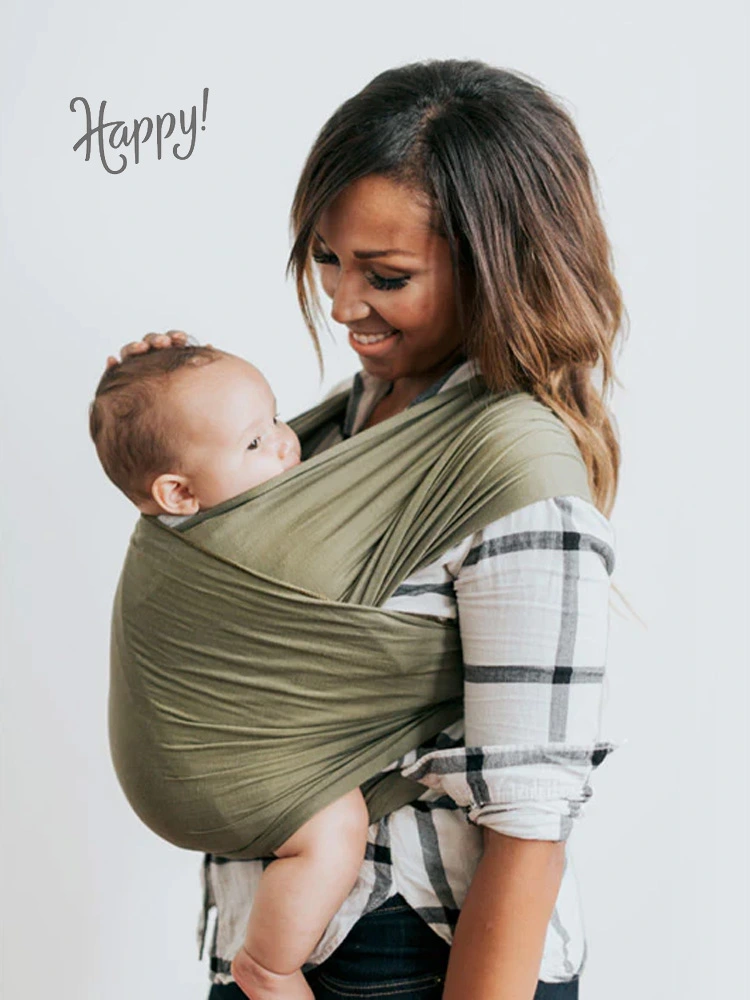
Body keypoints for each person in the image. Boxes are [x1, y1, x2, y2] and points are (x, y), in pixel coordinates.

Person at [113, 59, 624, 1000]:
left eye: (386, 276)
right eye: (327, 260)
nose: (344, 305)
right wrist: (150, 410)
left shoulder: (513, 473)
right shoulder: (334, 430)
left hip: (420, 952)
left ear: (496, 265)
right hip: (275, 938)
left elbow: (530, 820)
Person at [90, 345, 376, 1000]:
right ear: (180, 493)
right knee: (337, 826)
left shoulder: (198, 514)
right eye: (254, 443)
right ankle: (270, 967)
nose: (284, 444)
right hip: (196, 773)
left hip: (176, 766)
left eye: (275, 420)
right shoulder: (241, 547)